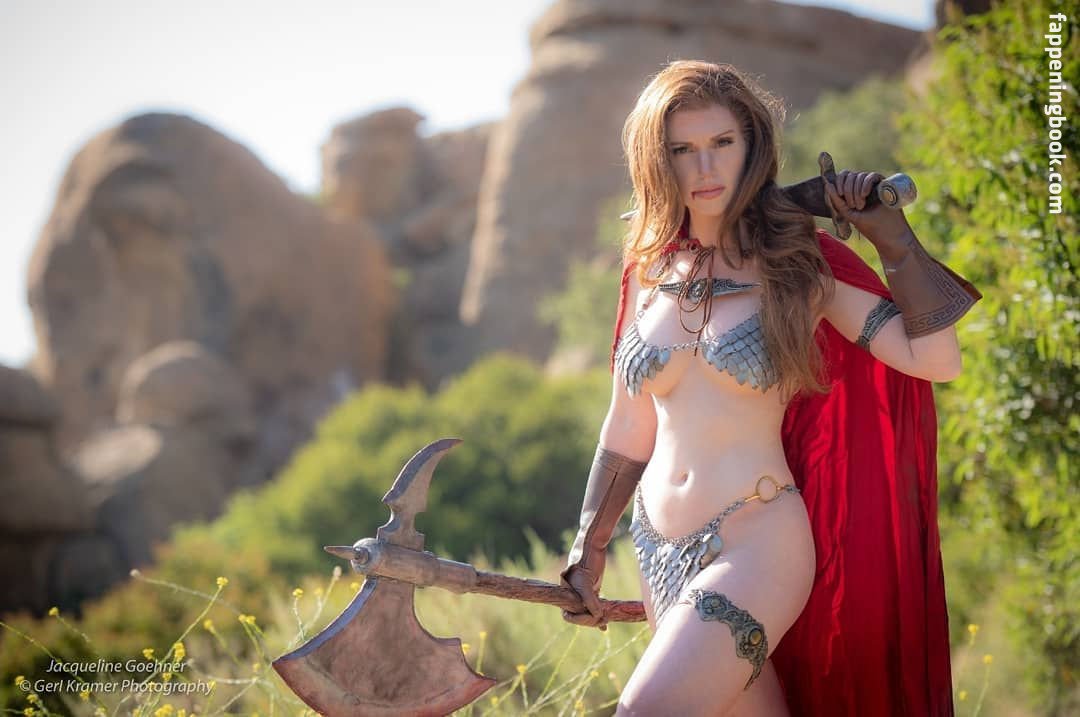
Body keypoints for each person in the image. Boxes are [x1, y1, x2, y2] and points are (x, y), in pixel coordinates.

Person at [560, 60, 980, 716]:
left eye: (722, 143)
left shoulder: (800, 264)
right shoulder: (647, 266)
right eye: (683, 149)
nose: (705, 168)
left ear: (752, 146)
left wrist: (894, 241)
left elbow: (937, 359)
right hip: (654, 545)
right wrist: (588, 546)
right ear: (656, 159)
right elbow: (628, 422)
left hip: (755, 543)